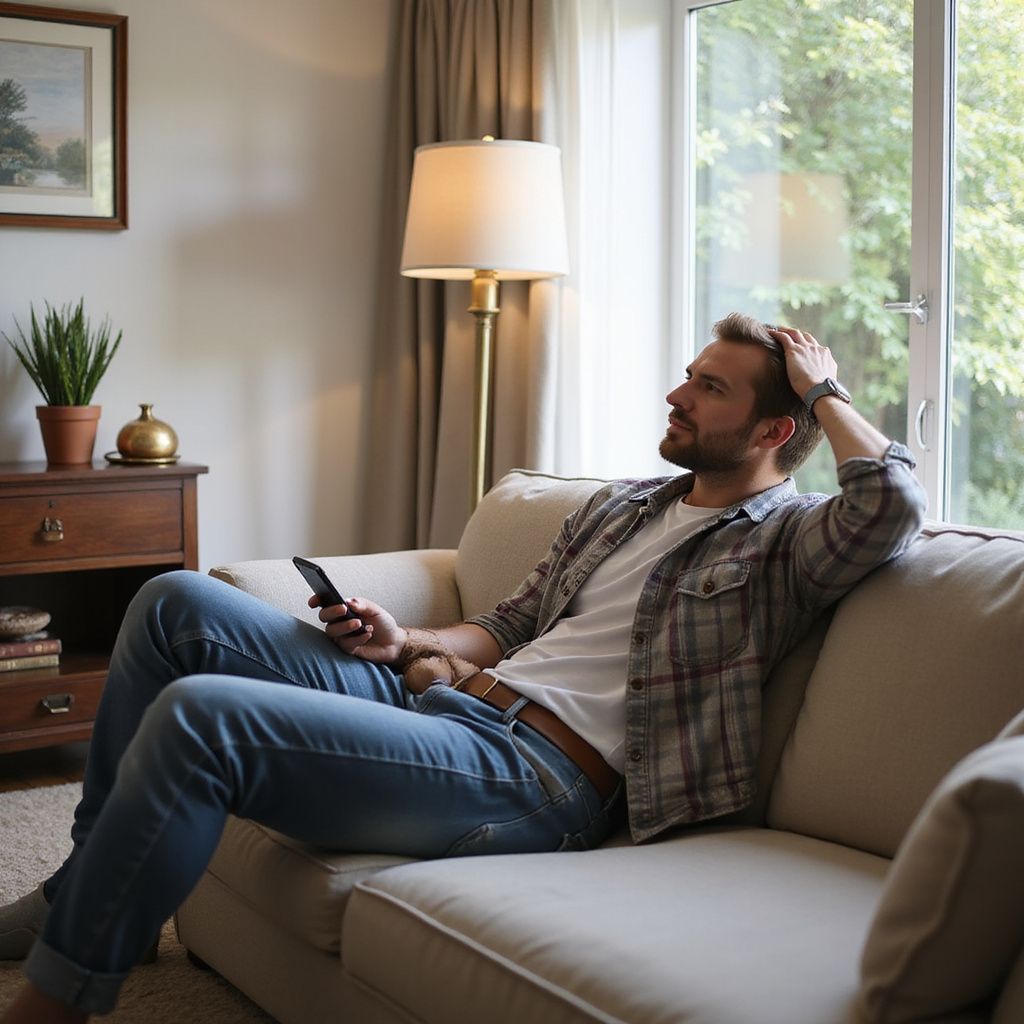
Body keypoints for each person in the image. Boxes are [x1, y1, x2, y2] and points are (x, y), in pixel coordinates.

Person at [0, 316, 926, 1022]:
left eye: (709, 388)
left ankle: (60, 994)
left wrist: (827, 390)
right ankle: (79, 880)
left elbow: (889, 507)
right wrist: (405, 640)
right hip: (448, 703)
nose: (677, 395)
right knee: (176, 600)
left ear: (774, 428)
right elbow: (510, 623)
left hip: (539, 775)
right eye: (686, 376)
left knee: (207, 716)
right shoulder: (625, 507)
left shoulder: (791, 541)